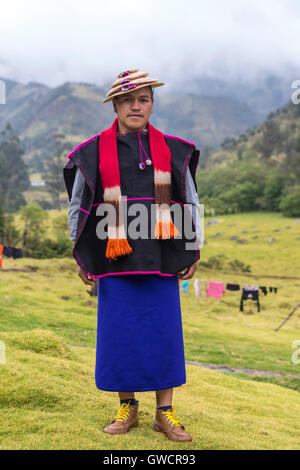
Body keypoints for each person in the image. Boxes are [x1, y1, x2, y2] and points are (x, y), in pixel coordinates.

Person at [63, 69, 202, 442]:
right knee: (119, 334)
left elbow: (189, 200)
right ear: (115, 105)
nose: (135, 105)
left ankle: (165, 413)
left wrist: (194, 246)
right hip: (114, 258)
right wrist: (80, 254)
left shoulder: (173, 149)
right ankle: (127, 407)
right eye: (127, 100)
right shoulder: (92, 152)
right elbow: (78, 206)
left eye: (143, 98)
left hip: (161, 256)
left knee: (164, 333)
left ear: (152, 104)